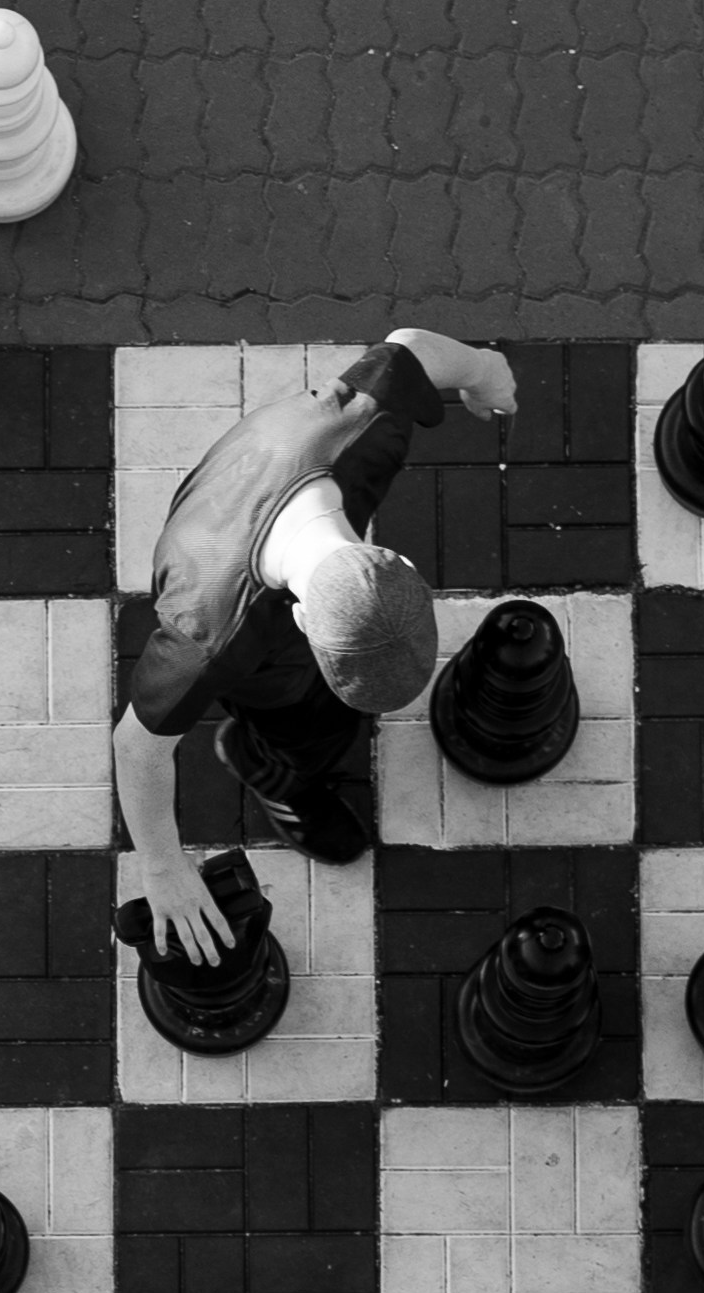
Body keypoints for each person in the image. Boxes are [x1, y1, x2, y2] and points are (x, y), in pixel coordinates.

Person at [112, 325, 518, 959]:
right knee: (306, 724)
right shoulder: (213, 635)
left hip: (261, 473)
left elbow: (408, 346)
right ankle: (271, 770)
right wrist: (163, 869)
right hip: (210, 543)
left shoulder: (366, 427)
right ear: (300, 623)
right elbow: (137, 747)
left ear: (394, 561)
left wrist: (482, 369)